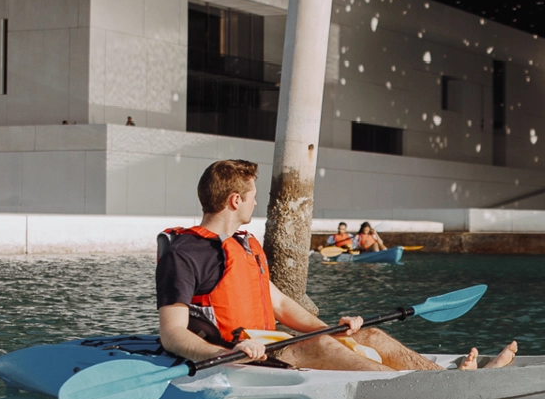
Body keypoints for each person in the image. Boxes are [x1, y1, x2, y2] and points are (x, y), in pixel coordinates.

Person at [157, 160, 515, 373]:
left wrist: (333, 328)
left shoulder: (244, 245)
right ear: (235, 200)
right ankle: (439, 390)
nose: (255, 204)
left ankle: (444, 379)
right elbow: (172, 334)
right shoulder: (185, 253)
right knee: (323, 349)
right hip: (240, 351)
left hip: (270, 343)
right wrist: (226, 355)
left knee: (368, 336)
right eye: (252, 197)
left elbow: (279, 304)